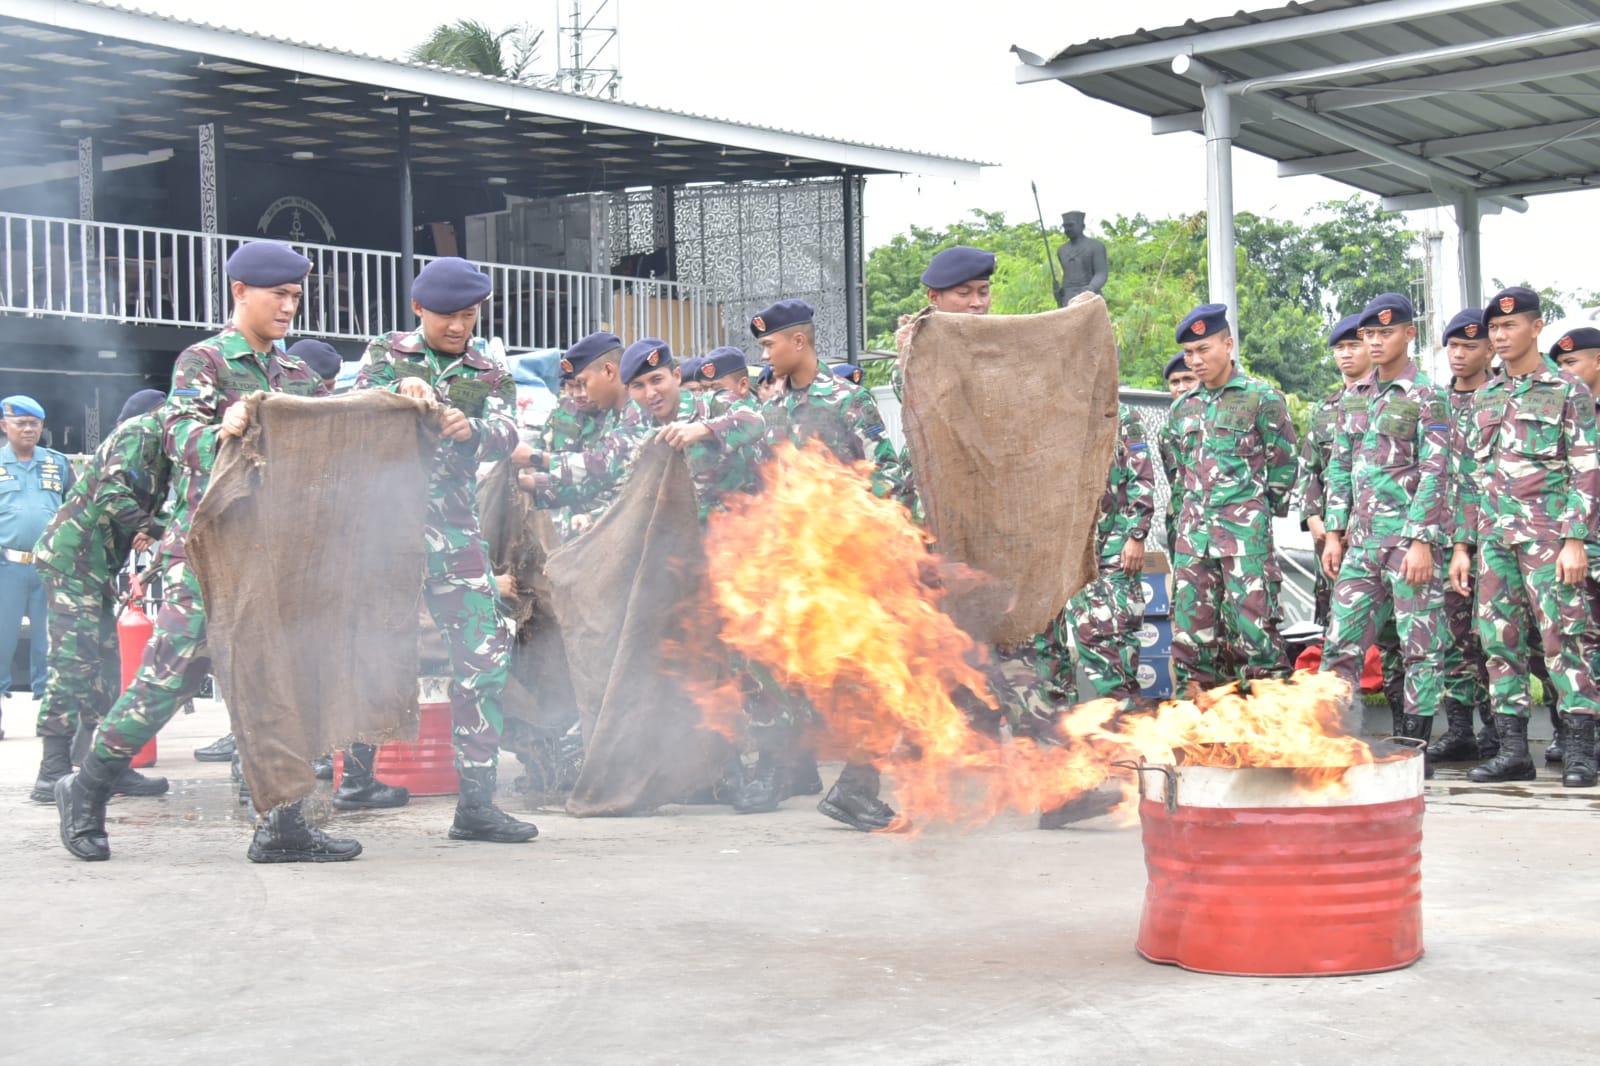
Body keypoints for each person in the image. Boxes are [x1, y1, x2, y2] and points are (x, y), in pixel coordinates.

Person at [56, 241, 358, 864]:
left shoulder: (299, 376)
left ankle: (283, 824)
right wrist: (225, 426)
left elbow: (334, 439)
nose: (288, 306)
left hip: (278, 556)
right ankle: (84, 789)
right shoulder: (206, 362)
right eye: (277, 294)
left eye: (296, 296)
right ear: (240, 292)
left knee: (286, 684)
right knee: (169, 680)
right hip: (208, 553)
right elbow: (179, 433)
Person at [354, 256, 540, 841]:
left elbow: (510, 431)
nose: (459, 326)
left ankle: (477, 804)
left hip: (455, 532)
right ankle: (353, 776)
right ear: (418, 310)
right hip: (385, 528)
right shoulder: (386, 352)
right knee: (372, 655)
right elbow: (353, 410)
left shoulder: (489, 369)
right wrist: (395, 391)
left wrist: (475, 429)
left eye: (469, 314)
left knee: (484, 659)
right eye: (447, 316)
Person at [756, 298, 906, 830]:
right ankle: (800, 773)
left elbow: (889, 471)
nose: (765, 354)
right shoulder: (773, 406)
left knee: (877, 671)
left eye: (770, 343)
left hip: (851, 560)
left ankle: (857, 786)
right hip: (799, 564)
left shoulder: (848, 400)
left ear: (799, 341)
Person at [1450, 287, 1600, 787]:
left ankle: (1580, 750)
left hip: (1548, 540)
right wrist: (1462, 546)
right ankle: (1513, 750)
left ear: (1536, 328)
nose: (1500, 335)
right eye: (1494, 328)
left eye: (1509, 326)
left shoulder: (1566, 390)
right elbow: (1471, 476)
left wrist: (1576, 539)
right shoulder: (1486, 395)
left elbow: (1585, 469)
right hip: (1493, 540)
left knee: (1565, 640)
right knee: (1498, 643)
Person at [1318, 294, 1452, 764]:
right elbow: (1340, 465)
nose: (1374, 342)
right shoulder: (1354, 397)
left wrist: (1420, 542)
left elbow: (1437, 471)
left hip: (1407, 545)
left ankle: (1414, 746)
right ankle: (1333, 742)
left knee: (1420, 649)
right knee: (1340, 643)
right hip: (1362, 545)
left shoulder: (1427, 396)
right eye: (1369, 334)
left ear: (1409, 334)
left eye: (1385, 333)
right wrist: (1335, 533)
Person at [28, 389, 170, 802]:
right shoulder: (138, 434)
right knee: (74, 663)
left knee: (107, 665)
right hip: (71, 562)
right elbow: (111, 494)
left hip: (97, 568)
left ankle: (107, 765)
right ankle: (51, 769)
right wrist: (154, 526)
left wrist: (154, 522)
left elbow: (163, 505)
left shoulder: (161, 453)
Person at [1167, 303, 1297, 692]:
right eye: (1190, 353)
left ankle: (1269, 725)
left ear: (1228, 345)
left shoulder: (1261, 398)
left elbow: (1283, 464)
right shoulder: (1181, 408)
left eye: (1204, 349)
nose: (1196, 360)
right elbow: (1179, 471)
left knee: (1255, 633)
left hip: (1245, 540)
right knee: (1192, 638)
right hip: (1194, 540)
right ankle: (1197, 726)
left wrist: (1254, 514)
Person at [1038, 403, 1154, 703]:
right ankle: (1059, 727)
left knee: (1107, 634)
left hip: (1111, 540)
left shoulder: (1122, 415)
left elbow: (1140, 477)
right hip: (1057, 544)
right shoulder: (1047, 412)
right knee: (1046, 639)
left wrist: (1136, 533)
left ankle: (1120, 722)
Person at [1427, 309, 1499, 763]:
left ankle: (1499, 732)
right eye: (1452, 346)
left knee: (1499, 637)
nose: (1459, 354)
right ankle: (1460, 730)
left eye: (1470, 346)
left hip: (1495, 535)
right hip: (1441, 537)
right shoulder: (1434, 404)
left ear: (1489, 349)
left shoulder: (1504, 398)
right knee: (1450, 636)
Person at [0, 394, 72, 738]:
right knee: (2, 643)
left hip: (48, 566)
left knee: (50, 643)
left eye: (34, 424)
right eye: (21, 423)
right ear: (5, 426)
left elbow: (75, 508)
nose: (28, 429)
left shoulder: (57, 463)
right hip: (6, 567)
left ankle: (52, 719)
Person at [1053, 211, 1108, 307]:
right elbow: (1067, 275)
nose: (1068, 229)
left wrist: (1091, 287)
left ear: (1082, 226)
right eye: (1065, 226)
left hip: (1089, 295)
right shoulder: (1062, 250)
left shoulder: (1096, 246)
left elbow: (1101, 273)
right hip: (1068, 297)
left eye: (1071, 225)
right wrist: (1060, 292)